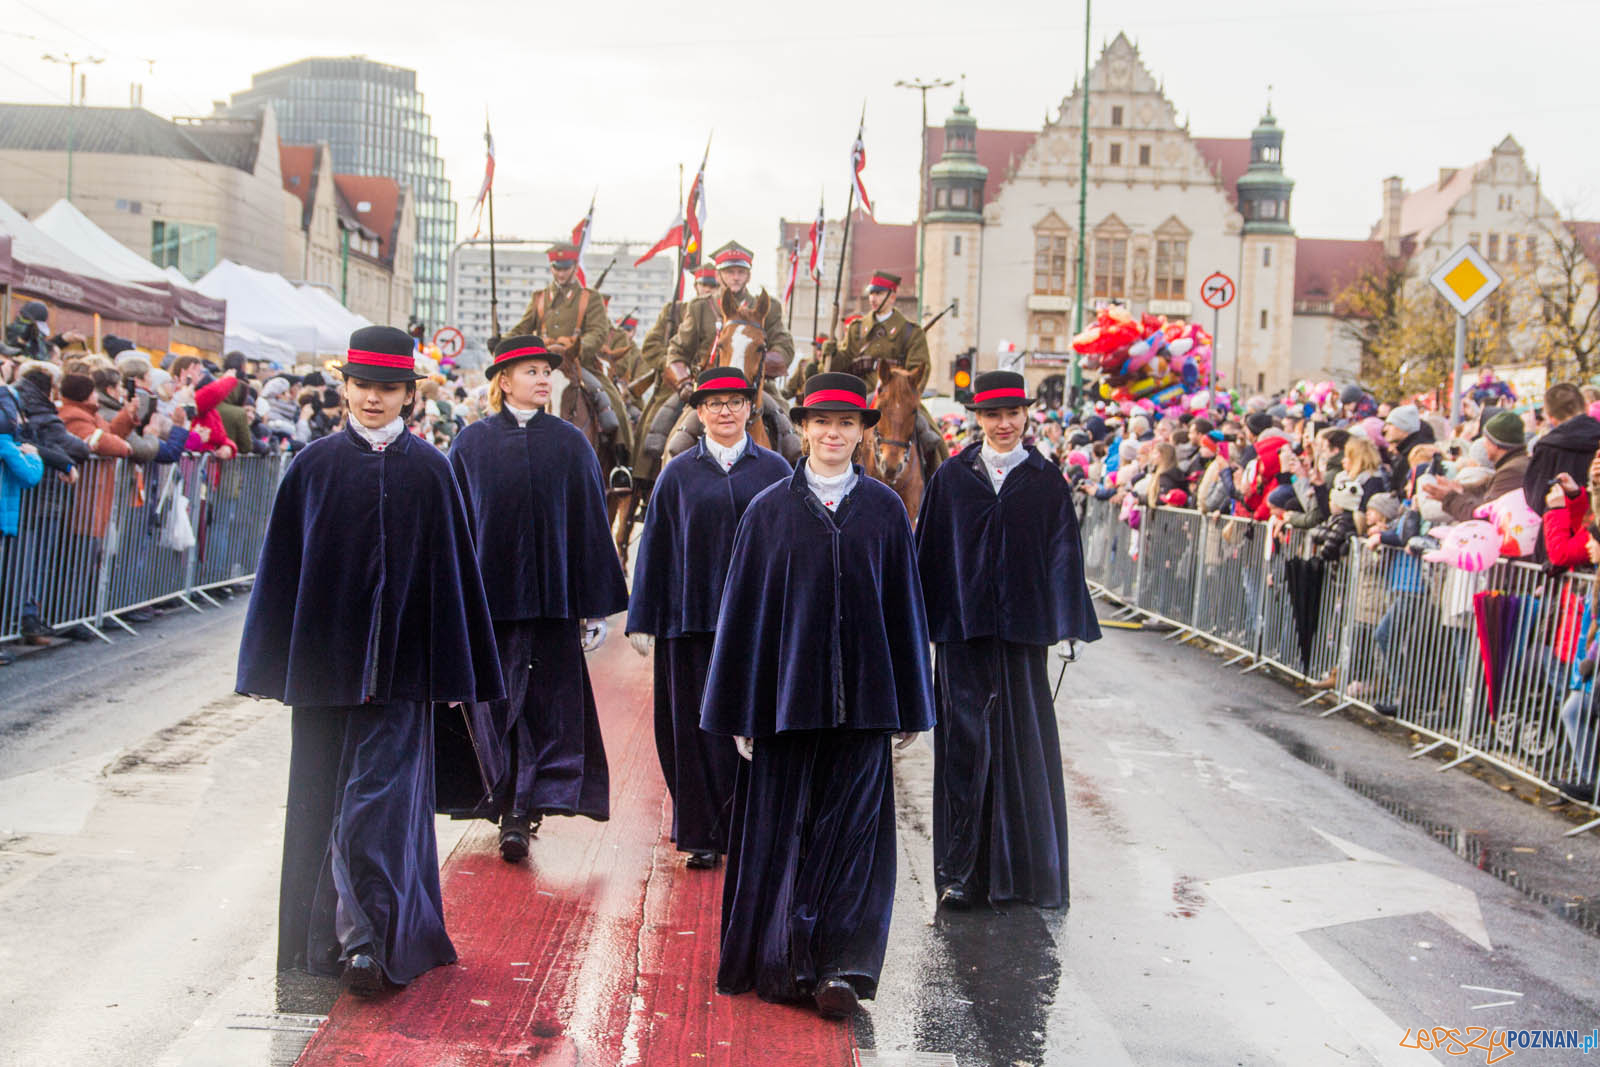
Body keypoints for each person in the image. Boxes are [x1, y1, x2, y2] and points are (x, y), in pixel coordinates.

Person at [236, 325, 503, 994]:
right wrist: (271, 661)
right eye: (363, 386)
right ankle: (317, 941)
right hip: (324, 670)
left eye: (387, 388)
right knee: (320, 796)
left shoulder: (432, 472)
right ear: (345, 387)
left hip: (403, 673)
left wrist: (455, 670)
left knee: (378, 802)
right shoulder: (313, 467)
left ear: (408, 395)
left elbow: (454, 576)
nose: (374, 398)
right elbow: (281, 573)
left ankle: (372, 940)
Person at [701, 372, 934, 1018]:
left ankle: (842, 966)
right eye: (822, 422)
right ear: (803, 428)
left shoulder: (887, 512)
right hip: (784, 705)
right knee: (788, 828)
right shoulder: (768, 511)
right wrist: (739, 710)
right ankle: (786, 958)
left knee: (855, 835)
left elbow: (905, 611)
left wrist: (911, 704)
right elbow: (742, 615)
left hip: (864, 705)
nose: (834, 433)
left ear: (862, 431)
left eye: (846, 422)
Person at [914, 370, 1101, 909]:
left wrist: (1069, 623)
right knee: (962, 753)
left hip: (1022, 638)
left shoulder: (1045, 481)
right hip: (961, 637)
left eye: (1012, 414)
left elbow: (1064, 551)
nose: (1003, 424)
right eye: (992, 415)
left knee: (1022, 749)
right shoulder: (950, 478)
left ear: (1025, 416)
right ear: (977, 418)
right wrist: (916, 627)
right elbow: (928, 553)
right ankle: (960, 874)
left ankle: (1021, 874)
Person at [446, 334, 629, 861]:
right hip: (492, 605)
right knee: (498, 703)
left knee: (547, 707)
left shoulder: (571, 443)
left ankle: (522, 808)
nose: (544, 378)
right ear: (503, 382)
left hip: (554, 605)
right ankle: (508, 802)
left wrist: (594, 603)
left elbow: (591, 523)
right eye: (530, 371)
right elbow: (457, 528)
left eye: (547, 371)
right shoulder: (470, 445)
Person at [626, 365, 791, 869]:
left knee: (753, 726)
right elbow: (654, 545)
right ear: (698, 411)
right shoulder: (676, 473)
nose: (725, 410)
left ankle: (751, 827)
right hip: (689, 621)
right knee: (692, 730)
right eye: (714, 403)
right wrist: (643, 616)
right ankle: (700, 832)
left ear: (749, 408)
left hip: (755, 625)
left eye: (735, 402)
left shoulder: (777, 471)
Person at [508, 241, 632, 462]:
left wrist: (574, 351)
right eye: (557, 267)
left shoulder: (590, 298)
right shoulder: (539, 298)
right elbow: (523, 328)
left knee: (612, 404)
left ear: (575, 267)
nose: (561, 272)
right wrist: (503, 343)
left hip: (577, 363)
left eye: (565, 267)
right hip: (542, 366)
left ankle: (620, 465)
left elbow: (598, 331)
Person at [822, 270, 942, 472]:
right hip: (860, 398)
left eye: (878, 294)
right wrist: (831, 354)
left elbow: (920, 369)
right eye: (871, 294)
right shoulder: (857, 329)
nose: (873, 299)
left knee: (932, 438)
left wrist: (900, 391)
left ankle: (938, 484)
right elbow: (842, 362)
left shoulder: (910, 332)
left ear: (892, 296)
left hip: (899, 400)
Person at [665, 241, 794, 388]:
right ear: (718, 276)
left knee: (780, 410)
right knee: (665, 412)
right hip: (707, 386)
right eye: (729, 272)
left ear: (749, 276)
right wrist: (684, 383)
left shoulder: (765, 308)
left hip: (756, 385)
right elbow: (677, 351)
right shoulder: (700, 307)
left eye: (741, 272)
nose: (736, 277)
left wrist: (757, 361)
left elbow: (785, 346)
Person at [1524, 383, 1600, 518]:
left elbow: (1536, 500)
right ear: (1585, 406)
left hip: (1561, 527)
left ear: (1550, 417)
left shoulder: (1547, 448)